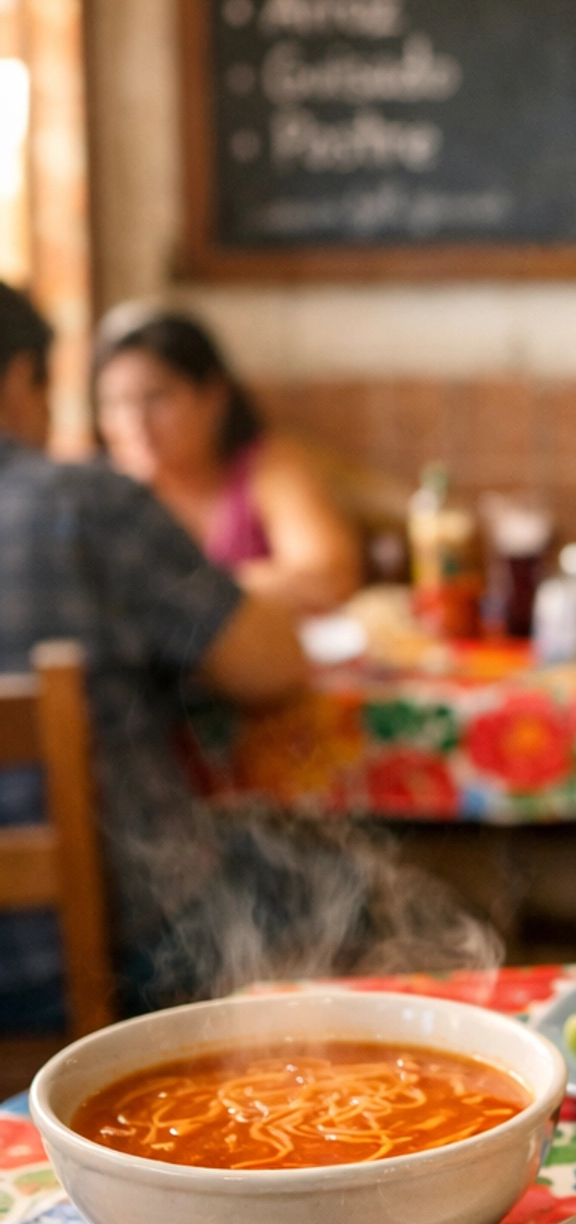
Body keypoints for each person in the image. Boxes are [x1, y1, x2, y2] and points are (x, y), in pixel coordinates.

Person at [0, 282, 307, 1023]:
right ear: (18, 383)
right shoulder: (87, 502)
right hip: (101, 961)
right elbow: (273, 668)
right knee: (341, 888)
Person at [94, 306, 361, 615]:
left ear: (214, 396)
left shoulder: (268, 468)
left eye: (156, 397)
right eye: (115, 403)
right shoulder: (96, 492)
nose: (134, 424)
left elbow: (327, 579)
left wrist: (178, 590)